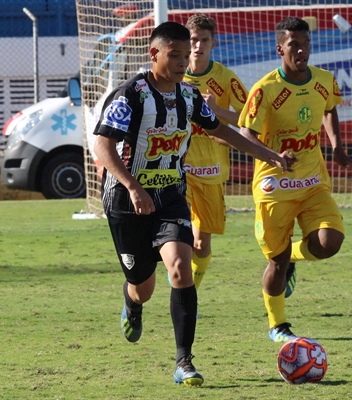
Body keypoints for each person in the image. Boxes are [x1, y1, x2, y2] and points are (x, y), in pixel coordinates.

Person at [93, 21, 294, 386]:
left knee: (181, 269)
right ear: (154, 54)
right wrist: (132, 186)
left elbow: (223, 131)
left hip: (171, 196)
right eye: (175, 55)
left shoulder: (189, 97)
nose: (184, 62)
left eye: (187, 55)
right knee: (144, 286)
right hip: (127, 201)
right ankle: (133, 302)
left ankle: (184, 361)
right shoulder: (131, 94)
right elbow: (102, 146)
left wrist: (270, 155)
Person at [238, 17, 352, 343]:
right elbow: (245, 134)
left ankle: (294, 254)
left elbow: (328, 108)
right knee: (275, 263)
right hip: (274, 186)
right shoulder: (265, 90)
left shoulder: (323, 80)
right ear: (280, 48)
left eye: (306, 44)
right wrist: (275, 157)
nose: (302, 51)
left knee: (329, 243)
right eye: (294, 44)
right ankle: (277, 325)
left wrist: (337, 147)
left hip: (312, 181)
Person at [181, 14, 248, 294]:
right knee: (177, 237)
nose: (198, 46)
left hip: (211, 171)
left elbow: (248, 117)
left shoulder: (225, 78)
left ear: (213, 43)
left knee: (201, 244)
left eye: (204, 40)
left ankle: (191, 293)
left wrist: (216, 111)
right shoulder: (175, 74)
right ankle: (180, 291)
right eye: (193, 40)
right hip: (178, 170)